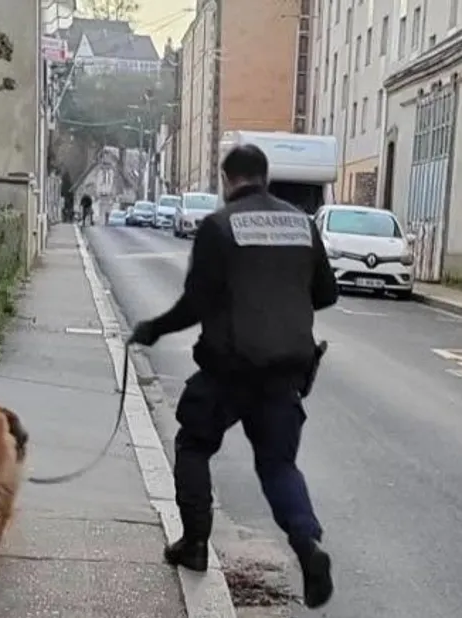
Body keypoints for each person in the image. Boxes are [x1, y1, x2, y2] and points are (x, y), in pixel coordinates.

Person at [128, 144, 339, 609]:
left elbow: (194, 303)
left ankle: (196, 544)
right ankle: (307, 545)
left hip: (229, 370)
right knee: (278, 466)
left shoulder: (218, 227)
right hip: (286, 371)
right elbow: (326, 294)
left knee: (194, 445)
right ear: (265, 177)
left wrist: (151, 330)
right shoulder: (302, 226)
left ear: (227, 181)